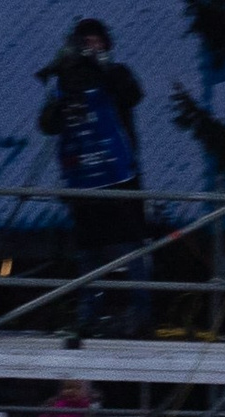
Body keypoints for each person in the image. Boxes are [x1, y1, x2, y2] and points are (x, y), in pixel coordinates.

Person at [36, 18, 148, 335]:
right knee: (90, 250)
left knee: (129, 247)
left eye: (96, 41)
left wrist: (104, 69)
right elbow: (47, 124)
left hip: (120, 174)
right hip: (83, 178)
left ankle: (137, 312)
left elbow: (133, 94)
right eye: (86, 41)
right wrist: (63, 105)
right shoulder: (65, 81)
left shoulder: (116, 74)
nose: (91, 47)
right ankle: (90, 312)